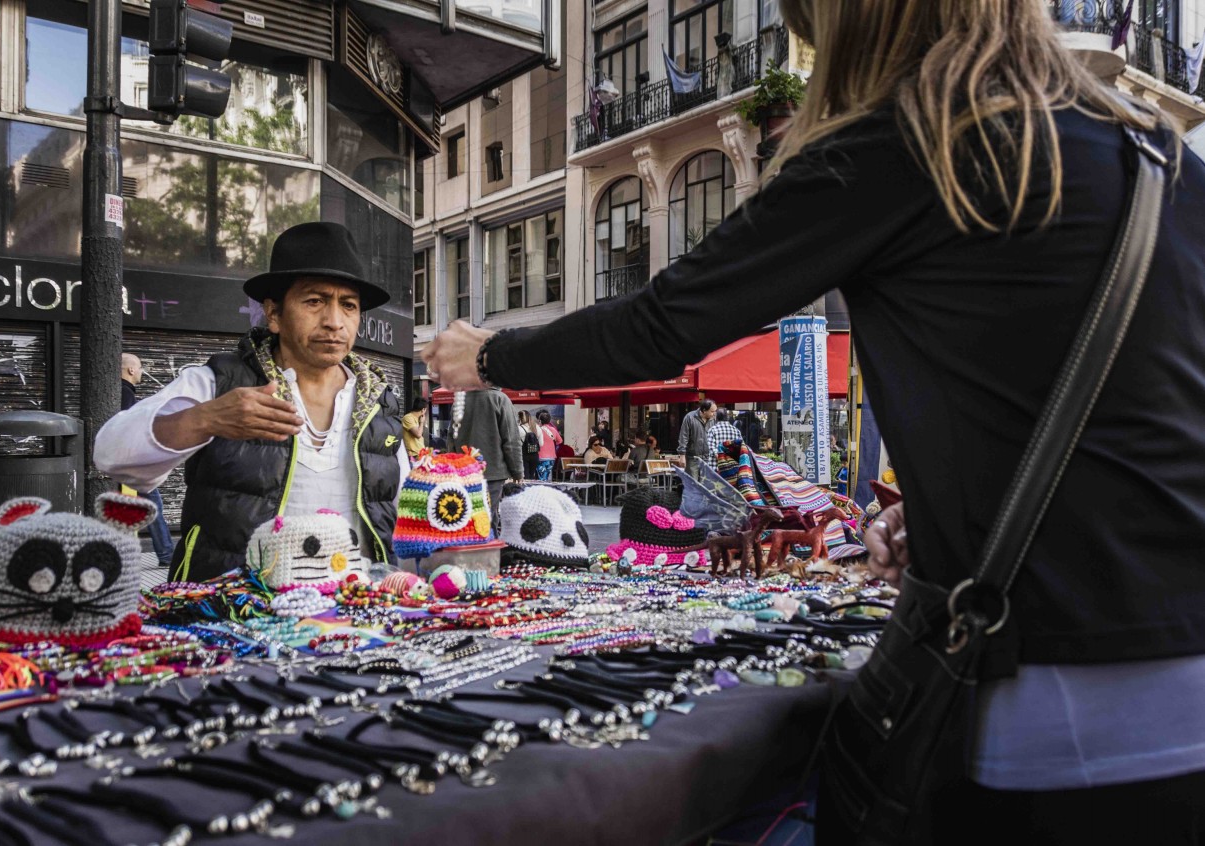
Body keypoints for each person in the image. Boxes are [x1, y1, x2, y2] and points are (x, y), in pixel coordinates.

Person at [421, 0, 1205, 838]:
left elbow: (664, 322)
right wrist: (952, 506)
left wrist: (490, 355)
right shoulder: (1162, 159)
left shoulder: (912, 143)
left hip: (1055, 711)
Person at [97, 222, 408, 583]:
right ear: (274, 314)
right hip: (232, 614)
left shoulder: (379, 401)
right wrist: (206, 419)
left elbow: (402, 513)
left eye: (348, 306)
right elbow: (111, 453)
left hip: (353, 616)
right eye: (314, 301)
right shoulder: (219, 382)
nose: (334, 322)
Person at [119, 353, 175, 569]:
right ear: (131, 370)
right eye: (140, 367)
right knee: (153, 505)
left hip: (130, 461)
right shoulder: (124, 393)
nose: (142, 372)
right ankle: (166, 555)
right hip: (135, 461)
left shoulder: (124, 392)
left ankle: (165, 553)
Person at [452, 389, 522, 526]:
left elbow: (451, 438)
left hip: (463, 471)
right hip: (492, 471)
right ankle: (489, 545)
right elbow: (511, 439)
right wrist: (517, 471)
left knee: (466, 518)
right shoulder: (499, 399)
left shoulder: (460, 400)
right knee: (488, 519)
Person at [676, 400, 715, 479]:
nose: (714, 413)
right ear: (704, 411)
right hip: (692, 458)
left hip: (708, 458)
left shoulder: (714, 419)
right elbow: (683, 437)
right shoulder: (690, 417)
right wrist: (682, 455)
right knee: (693, 485)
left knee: (706, 486)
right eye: (712, 411)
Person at [535, 409, 562, 481]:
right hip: (551, 457)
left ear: (540, 421)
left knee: (541, 477)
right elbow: (560, 441)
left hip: (540, 457)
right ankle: (547, 490)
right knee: (547, 476)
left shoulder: (538, 429)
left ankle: (542, 490)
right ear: (549, 420)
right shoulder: (553, 429)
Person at [402, 396, 427, 462]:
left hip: (420, 454)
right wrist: (422, 422)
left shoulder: (417, 419)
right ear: (423, 410)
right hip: (413, 455)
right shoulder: (408, 418)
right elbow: (418, 434)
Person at [517, 410, 540, 480]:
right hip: (535, 455)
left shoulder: (518, 428)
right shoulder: (536, 427)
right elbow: (541, 443)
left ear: (520, 418)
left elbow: (515, 443)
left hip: (523, 455)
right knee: (532, 475)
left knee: (526, 476)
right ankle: (532, 489)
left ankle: (526, 489)